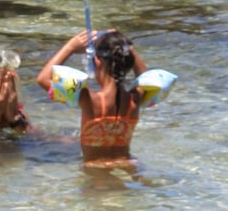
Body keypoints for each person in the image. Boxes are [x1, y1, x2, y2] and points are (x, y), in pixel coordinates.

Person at [36, 29, 148, 166]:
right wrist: (127, 47)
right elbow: (148, 79)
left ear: (97, 61)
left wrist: (70, 47)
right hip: (129, 164)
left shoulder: (88, 99)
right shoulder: (135, 99)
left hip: (95, 171)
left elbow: (43, 78)